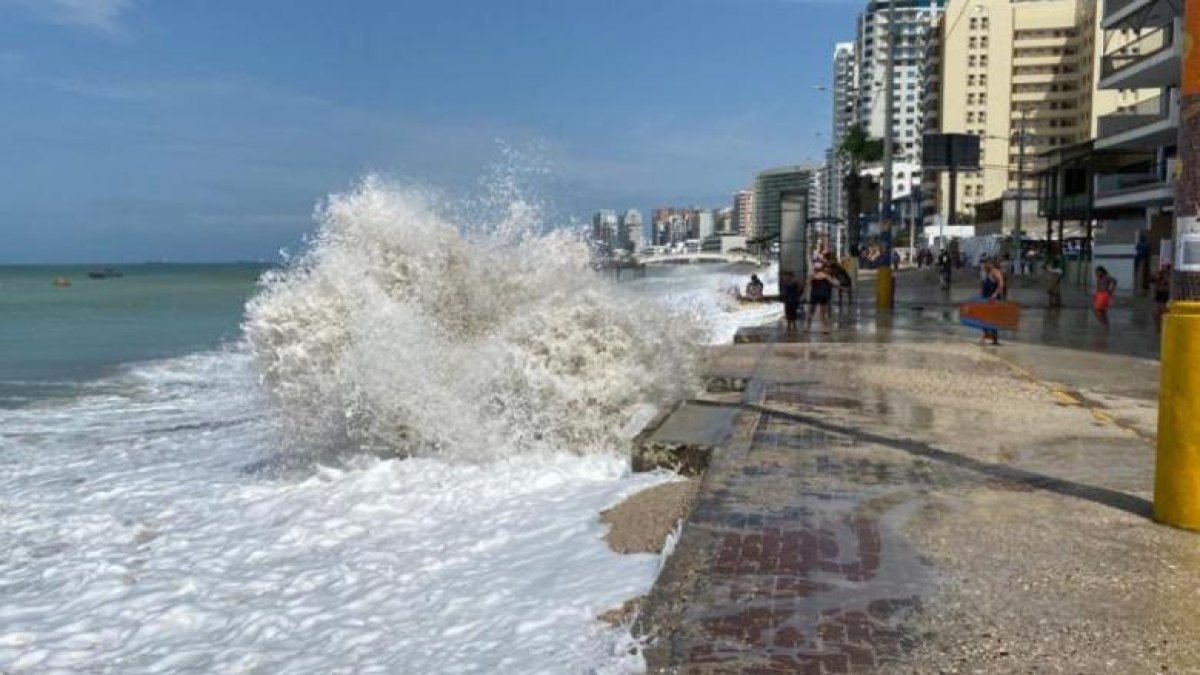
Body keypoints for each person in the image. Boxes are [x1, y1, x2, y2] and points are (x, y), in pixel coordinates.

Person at [979, 258, 1006, 345]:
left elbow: (1001, 283)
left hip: (993, 300)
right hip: (987, 300)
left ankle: (986, 338)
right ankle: (994, 340)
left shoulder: (995, 272)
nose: (984, 267)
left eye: (986, 265)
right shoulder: (988, 273)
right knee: (989, 319)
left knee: (989, 319)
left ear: (990, 264)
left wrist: (995, 294)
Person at [806, 262, 835, 334]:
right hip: (823, 295)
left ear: (815, 269)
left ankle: (807, 328)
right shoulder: (826, 276)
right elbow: (833, 283)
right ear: (821, 269)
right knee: (824, 313)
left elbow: (807, 283)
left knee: (811, 312)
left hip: (814, 295)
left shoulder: (812, 276)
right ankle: (825, 329)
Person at [1153, 262, 1172, 326]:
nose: (1163, 267)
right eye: (1163, 266)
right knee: (1158, 309)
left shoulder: (1169, 274)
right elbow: (1155, 280)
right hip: (1160, 292)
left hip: (1164, 293)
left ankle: (1161, 322)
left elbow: (1168, 283)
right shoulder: (1160, 273)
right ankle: (1159, 322)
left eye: (1165, 266)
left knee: (1163, 308)